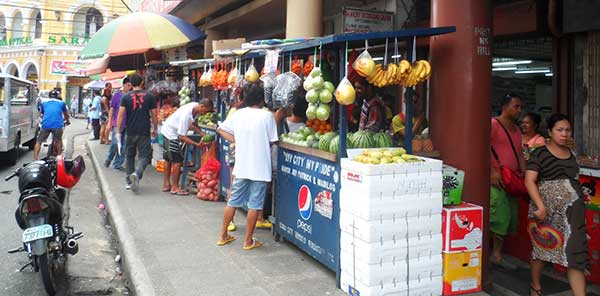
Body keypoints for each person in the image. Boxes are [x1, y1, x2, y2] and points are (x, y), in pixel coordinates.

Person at [525, 114, 589, 296]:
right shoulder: (539, 152)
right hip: (545, 210)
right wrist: (540, 207)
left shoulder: (573, 154)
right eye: (559, 130)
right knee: (542, 250)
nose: (564, 134)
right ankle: (535, 285)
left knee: (575, 254)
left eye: (567, 130)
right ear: (550, 132)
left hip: (572, 214)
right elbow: (529, 181)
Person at [217, 82, 278, 250]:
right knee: (255, 204)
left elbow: (220, 129)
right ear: (261, 99)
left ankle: (223, 236)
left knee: (233, 201)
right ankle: (248, 240)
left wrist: (237, 140)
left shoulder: (238, 114)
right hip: (260, 167)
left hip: (242, 165)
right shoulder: (267, 116)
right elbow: (274, 140)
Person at [490, 93, 525, 270]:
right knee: (499, 217)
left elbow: (519, 154)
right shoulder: (493, 124)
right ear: (505, 106)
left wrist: (524, 174)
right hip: (498, 179)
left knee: (510, 218)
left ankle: (498, 253)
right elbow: (483, 146)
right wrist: (492, 170)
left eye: (520, 107)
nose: (519, 110)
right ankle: (495, 254)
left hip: (513, 179)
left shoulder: (517, 130)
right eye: (515, 106)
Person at [161, 98, 213, 195]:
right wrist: (197, 144)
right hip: (171, 134)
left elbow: (193, 125)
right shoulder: (186, 114)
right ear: (202, 106)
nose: (205, 113)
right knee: (177, 160)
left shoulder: (195, 107)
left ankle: (166, 184)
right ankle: (175, 187)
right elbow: (182, 136)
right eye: (205, 111)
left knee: (168, 159)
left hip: (169, 130)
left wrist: (202, 133)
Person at [116, 74, 158, 193]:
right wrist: (155, 128)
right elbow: (154, 114)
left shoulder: (125, 97)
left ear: (131, 84)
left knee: (129, 156)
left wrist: (118, 131)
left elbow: (120, 115)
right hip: (144, 131)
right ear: (142, 83)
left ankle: (129, 182)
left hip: (130, 131)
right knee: (145, 156)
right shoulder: (150, 96)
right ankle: (137, 172)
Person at [33, 90, 70, 160]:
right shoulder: (62, 103)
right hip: (57, 125)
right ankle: (59, 157)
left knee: (39, 141)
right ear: (57, 96)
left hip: (46, 124)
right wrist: (67, 121)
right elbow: (66, 114)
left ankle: (35, 158)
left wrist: (41, 120)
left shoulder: (44, 103)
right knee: (59, 140)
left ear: (49, 96)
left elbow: (40, 113)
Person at [105, 78, 132, 170]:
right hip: (117, 124)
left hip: (128, 124)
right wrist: (109, 122)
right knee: (115, 143)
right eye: (128, 85)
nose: (130, 87)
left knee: (124, 146)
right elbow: (112, 109)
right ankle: (109, 158)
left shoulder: (131, 97)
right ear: (123, 85)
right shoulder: (116, 96)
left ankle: (117, 164)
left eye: (131, 85)